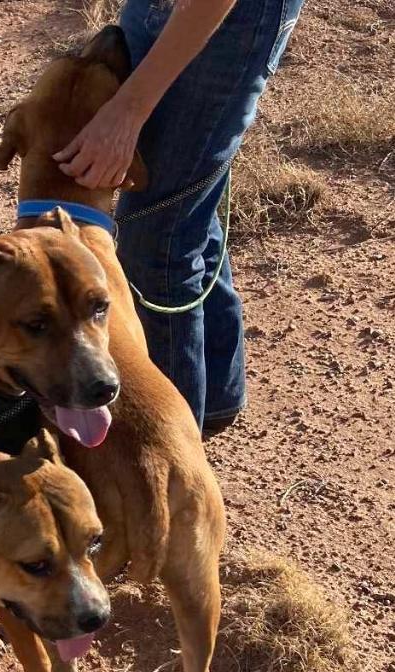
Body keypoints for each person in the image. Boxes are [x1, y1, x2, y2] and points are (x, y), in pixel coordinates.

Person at [53, 0, 305, 435]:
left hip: (227, 15)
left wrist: (128, 112)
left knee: (157, 246)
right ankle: (215, 402)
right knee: (181, 211)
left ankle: (170, 446)